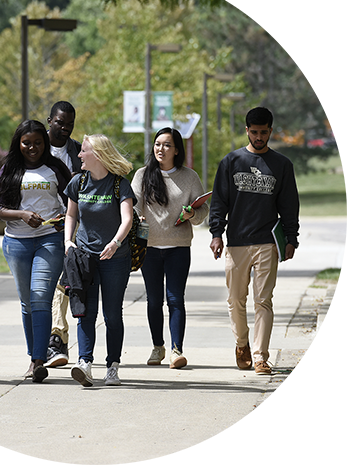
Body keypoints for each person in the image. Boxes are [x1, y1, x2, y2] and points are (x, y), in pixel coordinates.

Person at [209, 107, 299, 375]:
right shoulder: (231, 162)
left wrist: (291, 238)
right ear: (247, 130)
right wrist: (216, 233)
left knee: (263, 301)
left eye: (264, 132)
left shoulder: (282, 165)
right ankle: (242, 343)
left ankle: (260, 356)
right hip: (236, 241)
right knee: (235, 299)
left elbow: (290, 205)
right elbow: (219, 202)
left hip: (267, 242)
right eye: (255, 132)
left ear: (271, 130)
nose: (259, 137)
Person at [0, 119, 71, 383]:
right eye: (27, 143)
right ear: (19, 143)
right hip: (16, 242)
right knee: (27, 302)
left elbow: (73, 202)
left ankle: (38, 361)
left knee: (40, 298)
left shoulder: (55, 168)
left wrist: (64, 219)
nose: (32, 147)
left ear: (45, 143)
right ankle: (33, 356)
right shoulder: (10, 169)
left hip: (49, 239)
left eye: (38, 142)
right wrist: (22, 214)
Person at [132, 128, 208, 369]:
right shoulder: (142, 175)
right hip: (150, 248)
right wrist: (136, 219)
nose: (160, 149)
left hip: (178, 247)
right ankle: (158, 347)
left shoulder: (189, 177)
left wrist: (193, 213)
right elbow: (132, 206)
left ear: (176, 150)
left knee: (175, 299)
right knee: (154, 300)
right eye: (157, 144)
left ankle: (177, 350)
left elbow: (202, 212)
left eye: (166, 145)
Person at [64, 134, 135, 387]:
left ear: (98, 155)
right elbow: (70, 214)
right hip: (85, 257)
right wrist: (68, 241)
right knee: (86, 313)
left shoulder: (119, 185)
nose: (79, 155)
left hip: (116, 258)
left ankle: (112, 366)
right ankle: (85, 364)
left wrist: (115, 243)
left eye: (83, 151)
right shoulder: (78, 182)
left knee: (112, 314)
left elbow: (127, 219)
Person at [45, 101, 81, 368]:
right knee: (40, 288)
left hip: (71, 227)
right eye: (60, 123)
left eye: (70, 124)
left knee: (63, 280)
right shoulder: (35, 147)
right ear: (50, 120)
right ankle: (41, 343)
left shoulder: (80, 152)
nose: (65, 128)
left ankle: (57, 338)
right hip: (38, 228)